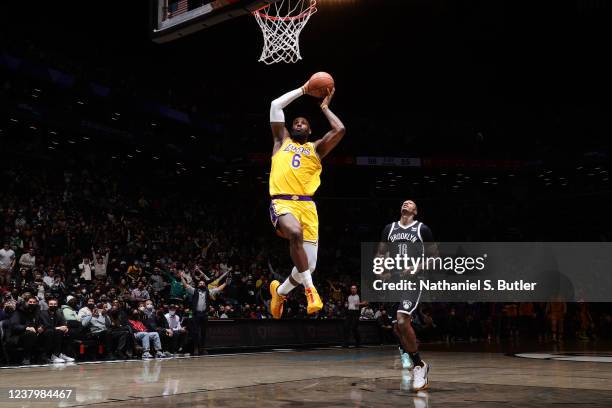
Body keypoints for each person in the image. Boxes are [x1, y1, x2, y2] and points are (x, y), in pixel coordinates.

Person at [267, 79, 346, 319]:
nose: (299, 124)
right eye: (295, 123)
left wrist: (324, 108)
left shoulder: (317, 148)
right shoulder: (281, 142)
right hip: (282, 202)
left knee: (308, 267)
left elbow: (340, 130)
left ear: (310, 130)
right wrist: (303, 89)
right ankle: (311, 291)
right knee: (295, 233)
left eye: (303, 123)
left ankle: (280, 291)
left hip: (307, 206)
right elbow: (275, 105)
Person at [377, 199, 437, 391]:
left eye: (410, 203)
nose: (406, 203)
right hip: (393, 281)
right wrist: (381, 271)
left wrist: (416, 267)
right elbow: (381, 254)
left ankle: (418, 366)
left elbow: (434, 259)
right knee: (398, 327)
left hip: (413, 280)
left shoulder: (422, 229)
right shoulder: (389, 228)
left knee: (403, 320)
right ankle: (418, 364)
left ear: (415, 211)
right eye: (404, 202)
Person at [180, 273, 226, 355]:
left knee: (204, 332)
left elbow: (218, 289)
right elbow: (186, 285)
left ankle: (203, 348)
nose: (201, 284)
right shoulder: (194, 291)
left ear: (205, 285)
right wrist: (181, 277)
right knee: (195, 332)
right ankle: (196, 348)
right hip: (196, 314)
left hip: (204, 314)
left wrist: (225, 283)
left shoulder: (209, 292)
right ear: (198, 285)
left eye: (203, 283)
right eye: (200, 283)